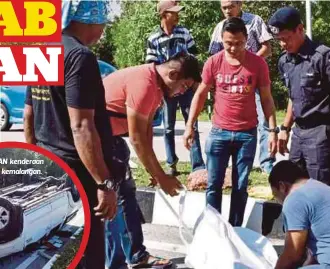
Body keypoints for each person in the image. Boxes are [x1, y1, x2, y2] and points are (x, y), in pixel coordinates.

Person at [24, 1, 117, 268]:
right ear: (90, 20)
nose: (102, 30)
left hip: (50, 169)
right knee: (87, 253)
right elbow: (81, 127)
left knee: (58, 252)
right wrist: (104, 183)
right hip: (78, 173)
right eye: (103, 22)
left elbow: (29, 115)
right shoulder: (79, 56)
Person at [102, 53, 199, 268]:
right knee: (111, 202)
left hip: (112, 140)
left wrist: (154, 170)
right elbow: (136, 138)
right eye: (184, 86)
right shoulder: (144, 84)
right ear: (173, 74)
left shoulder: (156, 86)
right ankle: (113, 263)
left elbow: (145, 131)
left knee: (126, 196)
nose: (182, 92)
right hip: (98, 140)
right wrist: (160, 176)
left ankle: (136, 256)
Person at [183, 17, 277, 227]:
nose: (233, 48)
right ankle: (214, 229)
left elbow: (267, 98)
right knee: (213, 185)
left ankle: (235, 231)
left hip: (247, 135)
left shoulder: (257, 64)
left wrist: (272, 130)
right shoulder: (214, 62)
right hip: (219, 133)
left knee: (240, 185)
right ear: (222, 40)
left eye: (238, 43)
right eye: (228, 43)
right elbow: (199, 94)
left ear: (246, 40)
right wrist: (189, 125)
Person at [268, 7, 330, 188]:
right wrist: (285, 128)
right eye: (279, 40)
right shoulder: (285, 61)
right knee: (295, 186)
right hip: (299, 133)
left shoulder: (323, 57)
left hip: (322, 133)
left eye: (286, 38)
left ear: (300, 29)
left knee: (321, 188)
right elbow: (294, 96)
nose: (283, 44)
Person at [209, 0, 275, 174]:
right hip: (230, 82)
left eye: (231, 6)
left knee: (263, 120)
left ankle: (266, 162)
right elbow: (214, 54)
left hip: (253, 78)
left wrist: (250, 63)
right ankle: (232, 158)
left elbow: (267, 47)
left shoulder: (255, 21)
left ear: (240, 4)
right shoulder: (219, 27)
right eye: (224, 8)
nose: (227, 11)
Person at [145, 0, 205, 176]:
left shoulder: (184, 33)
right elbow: (152, 65)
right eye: (174, 12)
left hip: (186, 88)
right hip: (167, 91)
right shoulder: (153, 38)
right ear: (164, 15)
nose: (177, 15)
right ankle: (171, 164)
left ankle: (198, 165)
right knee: (168, 127)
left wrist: (194, 81)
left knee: (191, 123)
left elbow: (194, 57)